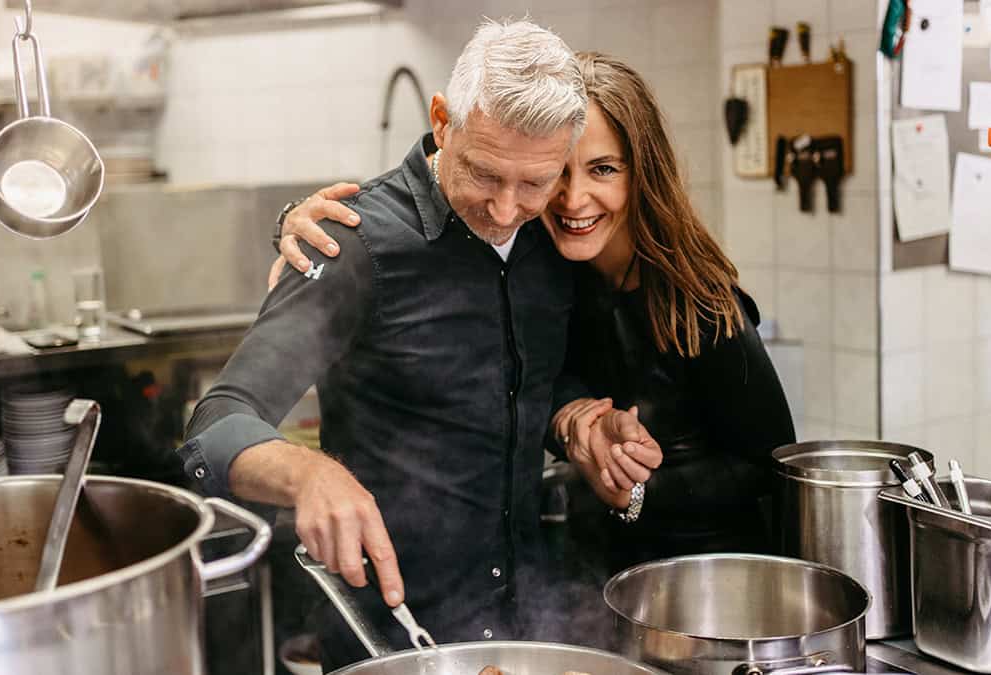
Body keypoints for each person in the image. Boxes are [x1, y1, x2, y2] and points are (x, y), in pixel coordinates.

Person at [178, 21, 658, 667]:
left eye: (535, 183)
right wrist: (308, 473)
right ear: (441, 119)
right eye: (485, 173)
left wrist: (574, 420)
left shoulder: (552, 240)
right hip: (391, 638)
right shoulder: (353, 245)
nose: (507, 209)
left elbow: (523, 381)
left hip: (527, 628)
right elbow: (215, 426)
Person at [272, 52, 797, 582]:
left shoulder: (701, 305)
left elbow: (772, 465)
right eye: (556, 174)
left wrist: (633, 488)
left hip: (708, 585)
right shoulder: (541, 269)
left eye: (603, 169)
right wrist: (298, 222)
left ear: (644, 173)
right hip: (585, 587)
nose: (572, 198)